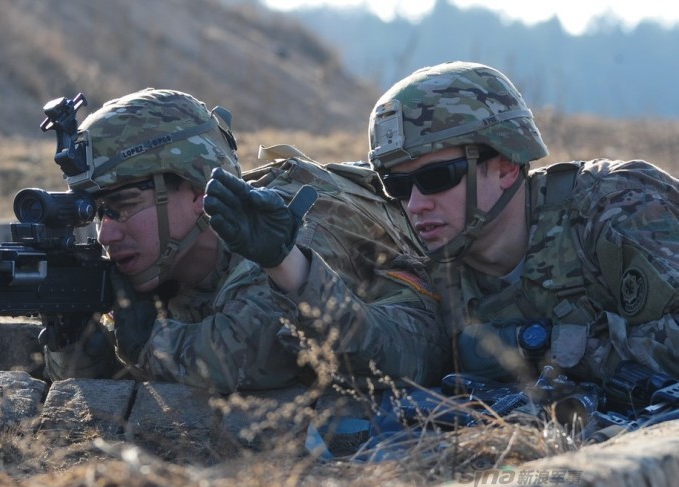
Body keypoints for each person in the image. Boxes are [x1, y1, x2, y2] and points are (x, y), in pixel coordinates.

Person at [45, 88, 447, 393]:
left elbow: (257, 353)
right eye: (97, 212)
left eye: (122, 207)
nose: (106, 233)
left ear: (198, 191)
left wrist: (147, 343)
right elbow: (102, 394)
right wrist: (76, 343)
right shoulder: (158, 262)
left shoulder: (292, 228)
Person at [362, 61, 679, 385]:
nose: (415, 205)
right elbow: (391, 345)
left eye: (436, 178)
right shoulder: (428, 268)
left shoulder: (614, 207)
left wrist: (553, 348)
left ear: (506, 167)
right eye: (397, 187)